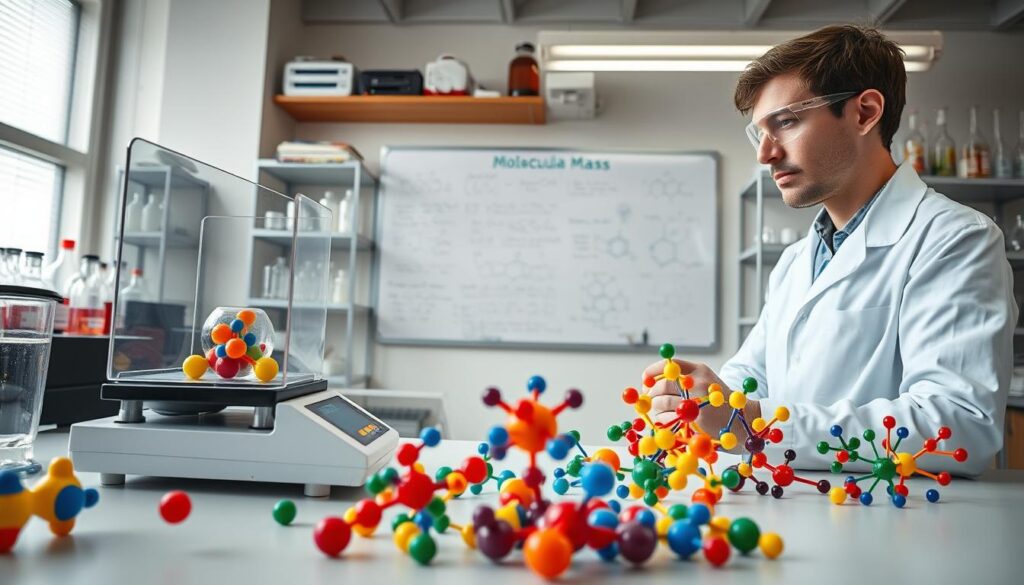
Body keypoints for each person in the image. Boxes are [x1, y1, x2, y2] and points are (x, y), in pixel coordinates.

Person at [646, 25, 1016, 476]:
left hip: (902, 526)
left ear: (864, 112)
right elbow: (752, 381)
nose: (765, 154)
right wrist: (699, 401)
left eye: (785, 122)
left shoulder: (953, 239)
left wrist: (753, 424)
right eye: (758, 132)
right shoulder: (796, 261)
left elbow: (959, 427)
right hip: (799, 507)